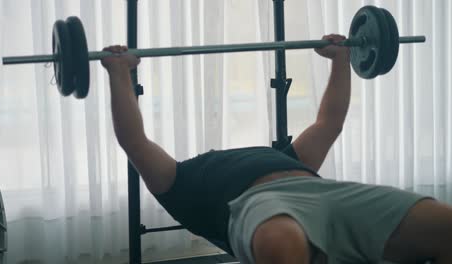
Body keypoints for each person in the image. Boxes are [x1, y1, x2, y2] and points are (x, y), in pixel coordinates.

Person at [101, 35, 452, 264]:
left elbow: (329, 123)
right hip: (257, 205)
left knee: (444, 223)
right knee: (281, 241)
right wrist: (118, 74)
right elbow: (135, 141)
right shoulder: (181, 183)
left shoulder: (287, 159)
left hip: (322, 191)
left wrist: (341, 59)